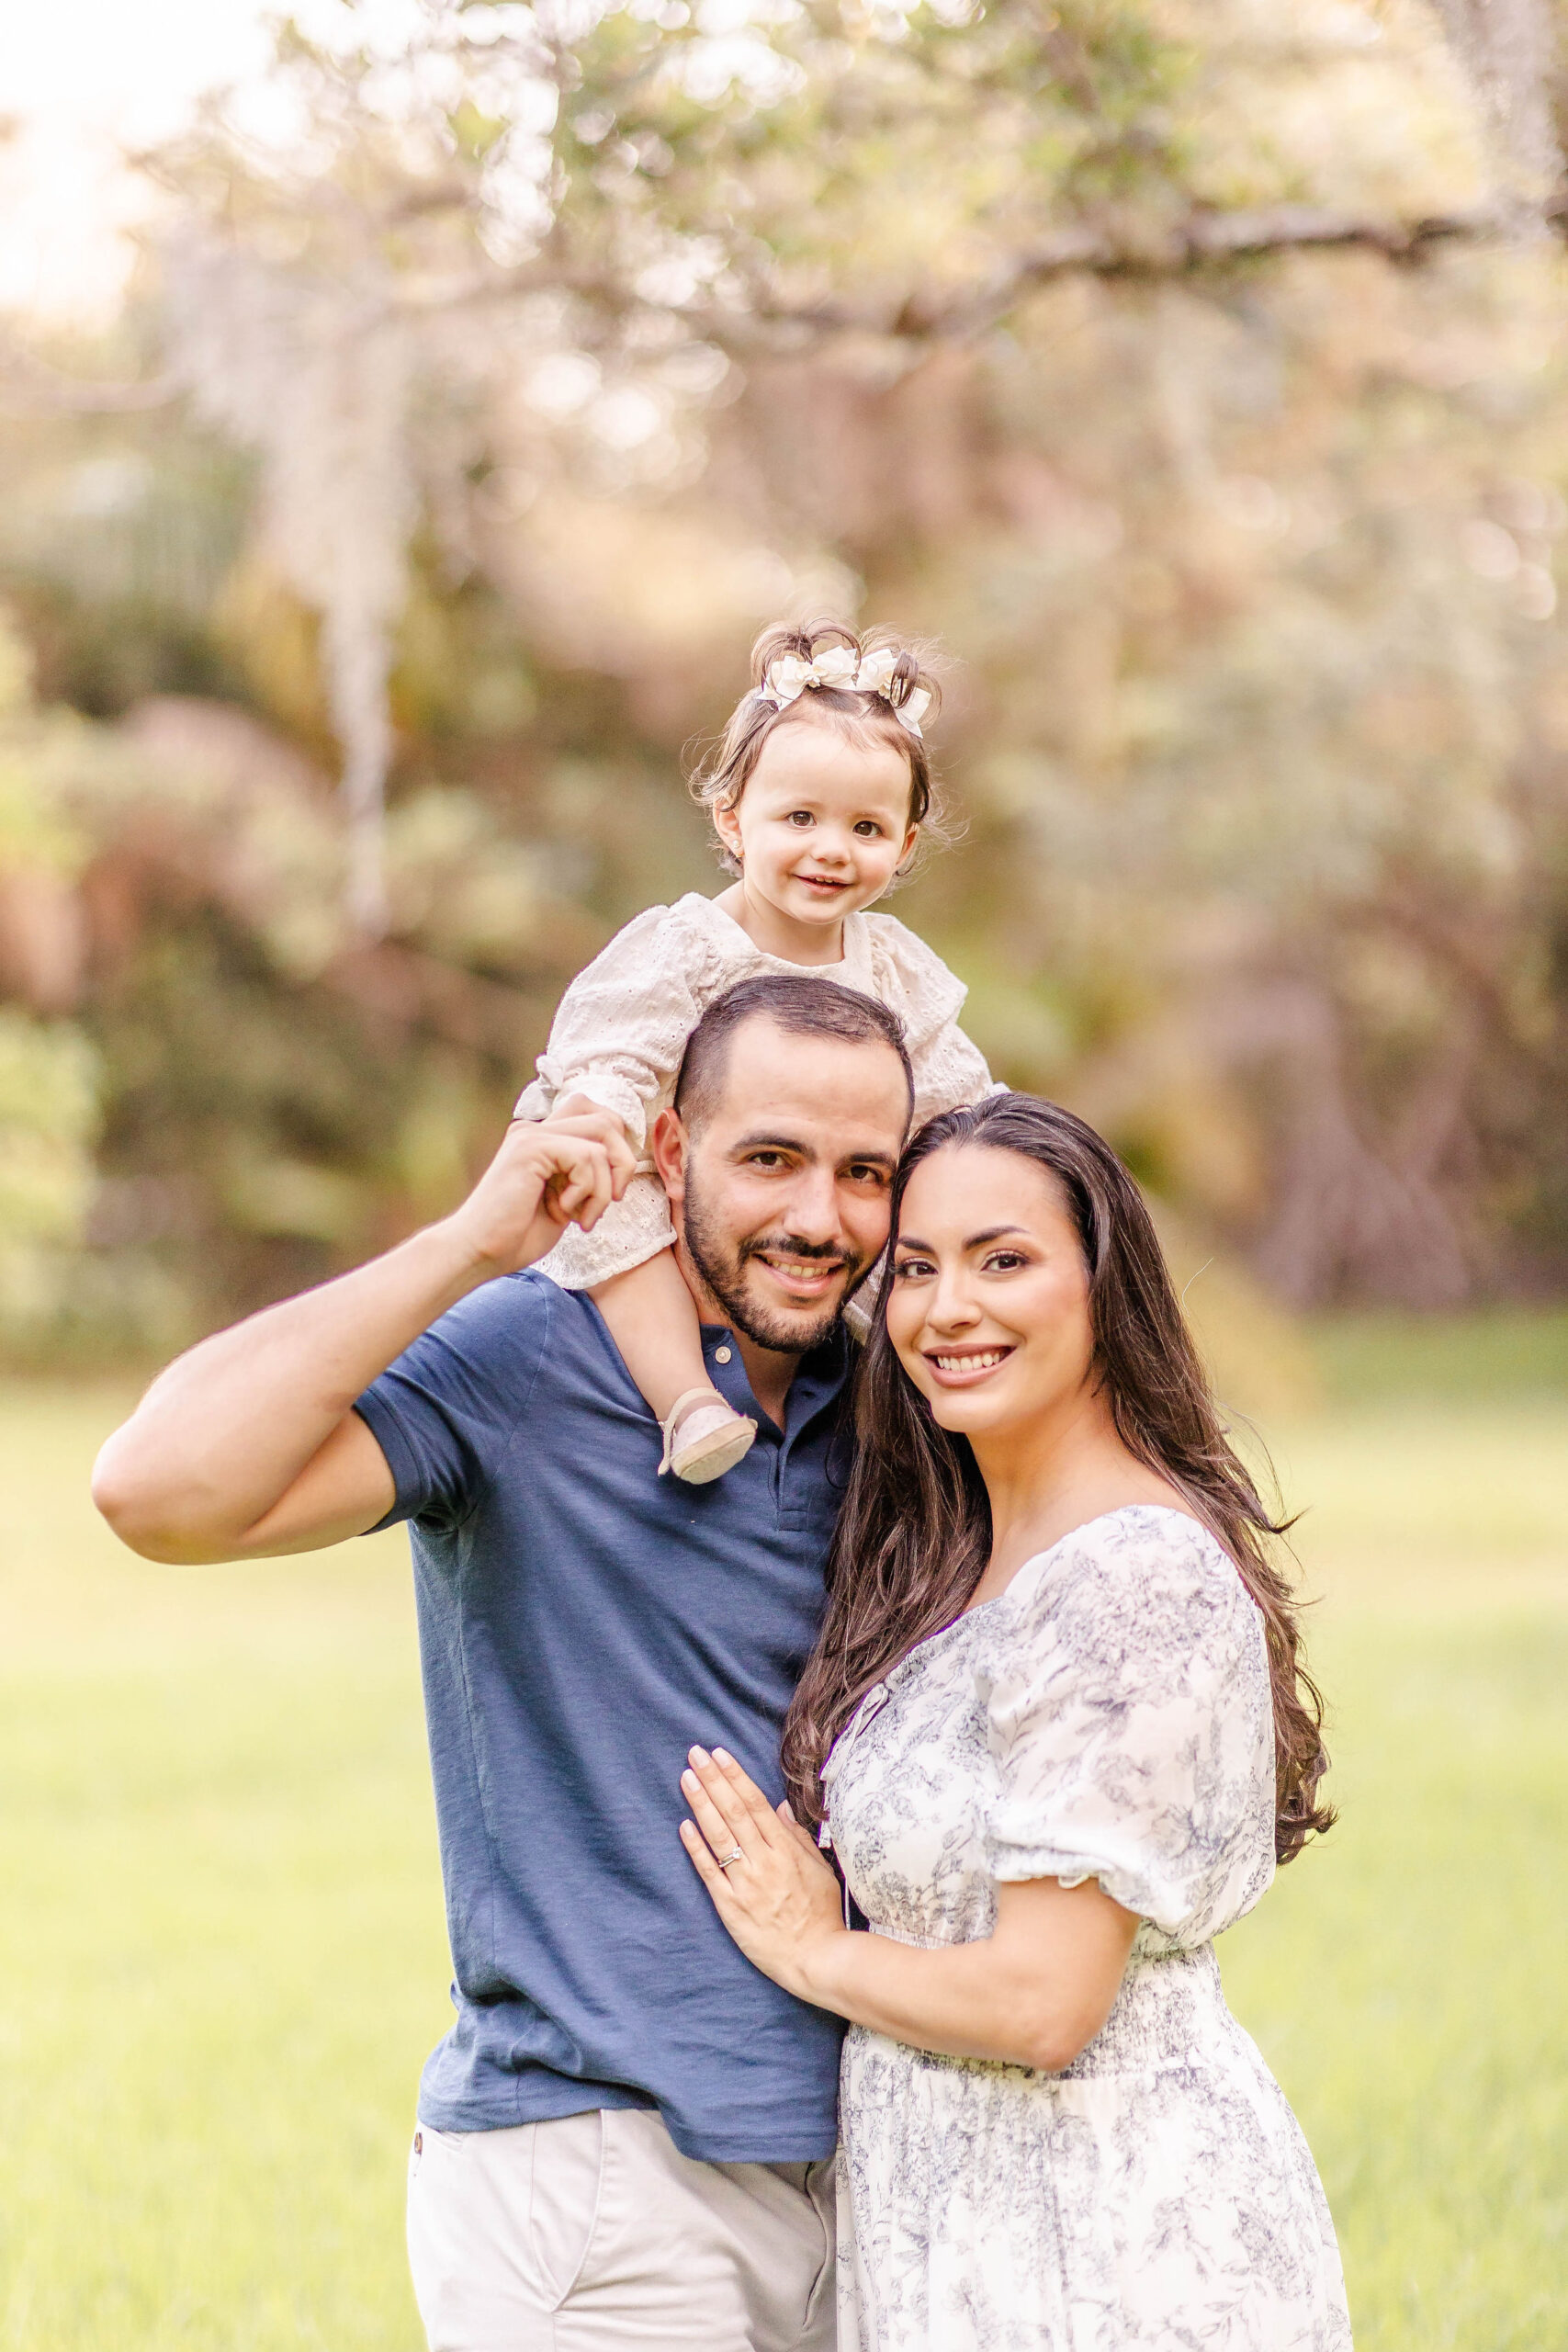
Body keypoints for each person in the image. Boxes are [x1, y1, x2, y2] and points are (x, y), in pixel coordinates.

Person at [91, 973, 918, 2352]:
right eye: (768, 1159)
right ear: (669, 1153)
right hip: (594, 2178)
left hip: (864, 2171)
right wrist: (466, 1248)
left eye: (863, 1174)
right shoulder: (535, 1359)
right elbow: (157, 1492)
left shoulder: (889, 1404)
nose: (816, 1218)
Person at [678, 1092, 1353, 2350]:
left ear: (1104, 1288)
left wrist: (813, 1951)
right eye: (916, 1268)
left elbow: (1043, 2006)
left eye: (1003, 1260)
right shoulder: (973, 1557)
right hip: (967, 2228)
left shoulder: (1127, 1574)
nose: (947, 1309)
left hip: (1106, 2241)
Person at [516, 617, 996, 1485]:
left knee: (909, 1222)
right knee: (617, 1220)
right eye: (799, 817)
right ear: (733, 819)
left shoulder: (892, 965)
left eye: (865, 828)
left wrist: (993, 1159)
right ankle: (684, 1402)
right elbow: (615, 1046)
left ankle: (916, 1414)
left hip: (816, 1202)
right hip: (658, 1171)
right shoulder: (689, 946)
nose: (829, 850)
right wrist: (599, 1110)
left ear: (906, 844)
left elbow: (955, 1094)